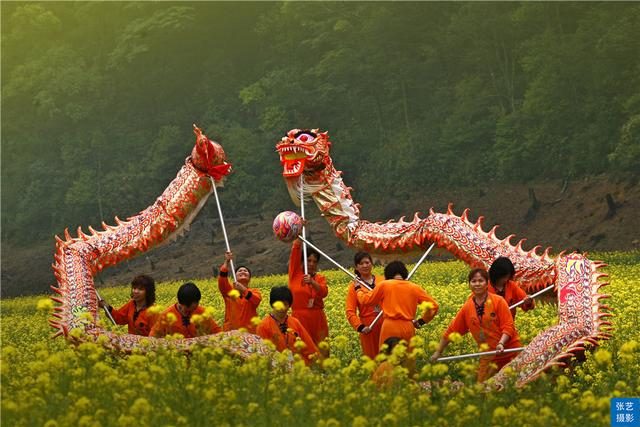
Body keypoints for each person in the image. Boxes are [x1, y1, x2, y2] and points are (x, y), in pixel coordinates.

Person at [430, 268, 522, 382]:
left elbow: (508, 326)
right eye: (473, 281)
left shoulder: (498, 301)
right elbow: (452, 331)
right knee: (481, 389)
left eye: (480, 281)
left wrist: (501, 343)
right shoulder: (467, 307)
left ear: (487, 283)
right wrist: (438, 351)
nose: (477, 284)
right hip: (488, 355)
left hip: (509, 351)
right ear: (469, 284)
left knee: (515, 385)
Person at [356, 260, 439, 351]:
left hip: (390, 326)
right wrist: (421, 321)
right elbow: (434, 306)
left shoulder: (384, 285)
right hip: (408, 327)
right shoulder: (414, 287)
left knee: (388, 360)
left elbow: (366, 301)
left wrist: (358, 289)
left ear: (387, 274)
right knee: (408, 361)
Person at [256, 286, 319, 365]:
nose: (282, 308)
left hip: (298, 366)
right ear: (272, 304)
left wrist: (317, 361)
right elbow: (262, 353)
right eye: (279, 304)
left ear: (289, 305)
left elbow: (308, 345)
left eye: (285, 304)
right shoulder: (263, 326)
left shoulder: (295, 322)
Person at [288, 239, 329, 346]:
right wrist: (298, 238)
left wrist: (312, 282)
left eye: (314, 261)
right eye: (308, 260)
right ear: (302, 262)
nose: (311, 264)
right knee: (303, 349)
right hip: (299, 318)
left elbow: (324, 292)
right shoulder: (295, 274)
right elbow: (295, 254)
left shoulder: (320, 278)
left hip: (318, 318)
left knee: (321, 349)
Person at [345, 251, 384, 359]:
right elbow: (350, 311)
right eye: (361, 263)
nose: (365, 265)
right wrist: (360, 327)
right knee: (372, 359)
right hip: (368, 327)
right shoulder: (354, 287)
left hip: (385, 323)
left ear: (372, 264)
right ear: (356, 267)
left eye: (367, 262)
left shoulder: (383, 280)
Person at [150, 282, 221, 338]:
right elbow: (154, 335)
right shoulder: (167, 315)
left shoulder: (202, 312)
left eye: (194, 309)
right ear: (180, 303)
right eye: (188, 310)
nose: (190, 313)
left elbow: (217, 331)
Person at [217, 251, 262, 333]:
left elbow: (256, 300)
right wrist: (227, 262)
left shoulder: (255, 291)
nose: (243, 271)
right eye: (239, 271)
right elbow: (222, 280)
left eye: (245, 271)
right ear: (235, 276)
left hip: (250, 333)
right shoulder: (229, 291)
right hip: (231, 333)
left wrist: (243, 289)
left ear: (250, 278)